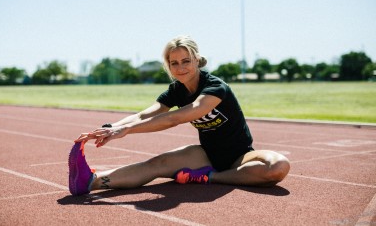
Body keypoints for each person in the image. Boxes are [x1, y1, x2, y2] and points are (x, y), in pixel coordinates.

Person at [69, 35, 290, 196]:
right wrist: (112, 127)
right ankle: (91, 181)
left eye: (185, 61)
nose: (180, 67)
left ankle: (207, 177)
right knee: (157, 163)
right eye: (174, 63)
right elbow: (148, 113)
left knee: (278, 166)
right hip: (207, 155)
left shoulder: (215, 87)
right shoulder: (177, 90)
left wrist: (125, 131)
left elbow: (176, 117)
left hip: (240, 156)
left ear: (196, 59)